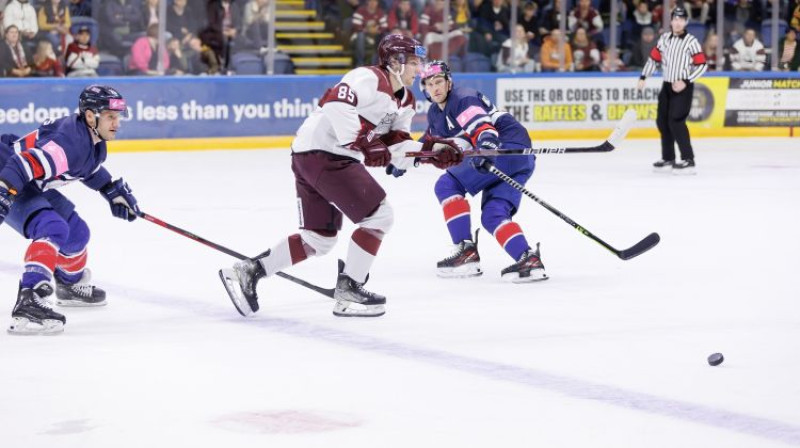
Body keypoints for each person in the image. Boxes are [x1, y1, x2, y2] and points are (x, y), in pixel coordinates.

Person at [220, 35, 462, 318]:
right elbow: (336, 103)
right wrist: (362, 142)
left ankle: (249, 271)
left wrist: (431, 151)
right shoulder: (368, 78)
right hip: (326, 154)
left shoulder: (406, 101)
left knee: (318, 238)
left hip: (313, 156)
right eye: (413, 62)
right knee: (379, 216)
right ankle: (350, 290)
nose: (418, 69)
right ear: (394, 63)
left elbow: (397, 144)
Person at [0, 85, 141, 335]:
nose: (116, 123)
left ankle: (68, 283)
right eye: (110, 116)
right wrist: (3, 193)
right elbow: (22, 164)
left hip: (28, 178)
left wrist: (110, 189)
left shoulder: (92, 142)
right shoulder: (69, 144)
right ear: (90, 116)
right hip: (9, 174)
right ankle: (29, 298)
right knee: (52, 227)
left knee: (77, 234)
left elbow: (87, 168)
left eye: (118, 117)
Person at [418, 60, 547, 283]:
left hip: (504, 149)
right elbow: (429, 141)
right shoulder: (436, 114)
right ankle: (528, 259)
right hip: (519, 158)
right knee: (493, 214)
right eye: (429, 84)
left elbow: (482, 127)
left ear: (449, 83)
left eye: (438, 81)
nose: (435, 87)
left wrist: (486, 147)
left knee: (447, 185)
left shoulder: (462, 98)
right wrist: (403, 157)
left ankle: (466, 251)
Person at [637, 6, 707, 174]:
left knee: (676, 121)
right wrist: (643, 77)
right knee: (662, 121)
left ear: (686, 22)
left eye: (681, 20)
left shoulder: (691, 41)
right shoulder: (664, 39)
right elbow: (653, 60)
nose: (677, 22)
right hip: (667, 85)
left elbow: (702, 65)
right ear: (671, 21)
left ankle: (688, 160)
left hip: (682, 87)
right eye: (675, 19)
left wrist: (686, 80)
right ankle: (668, 158)